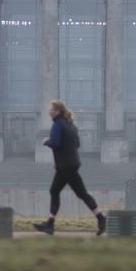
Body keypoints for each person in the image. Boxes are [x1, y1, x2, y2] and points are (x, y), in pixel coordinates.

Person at [33, 99, 106, 236]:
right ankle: (50, 224)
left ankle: (101, 218)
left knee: (81, 193)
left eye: (52, 109)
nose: (49, 111)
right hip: (70, 164)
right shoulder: (70, 125)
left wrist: (46, 141)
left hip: (65, 165)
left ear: (57, 111)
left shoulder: (57, 125)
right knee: (55, 190)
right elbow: (77, 144)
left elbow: (56, 143)